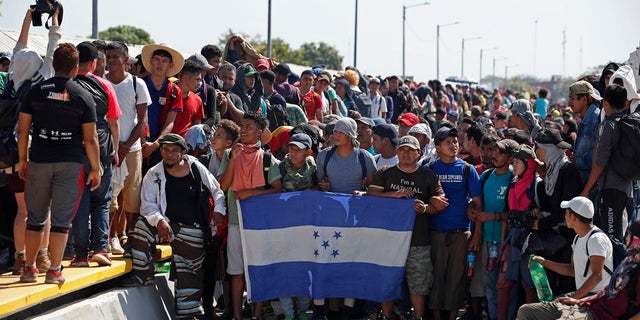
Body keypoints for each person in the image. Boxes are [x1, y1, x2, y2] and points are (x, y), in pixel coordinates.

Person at [16, 43, 101, 284]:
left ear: (53, 65)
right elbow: (91, 139)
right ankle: (54, 270)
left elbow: (23, 131)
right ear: (75, 68)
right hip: (69, 163)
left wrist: (23, 159)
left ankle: (29, 269)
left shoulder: (34, 91)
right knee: (62, 220)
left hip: (39, 159)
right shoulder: (84, 95)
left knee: (35, 217)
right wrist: (95, 168)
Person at [121, 133, 225, 319]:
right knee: (141, 228)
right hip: (165, 226)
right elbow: (147, 205)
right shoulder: (153, 174)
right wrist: (159, 220)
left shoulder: (195, 168)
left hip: (193, 230)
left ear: (183, 152)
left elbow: (217, 192)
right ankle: (142, 275)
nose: (169, 154)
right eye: (165, 150)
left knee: (189, 276)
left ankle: (189, 313)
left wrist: (218, 211)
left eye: (174, 150)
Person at [367, 135, 447, 320]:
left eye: (411, 150)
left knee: (418, 285)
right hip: (388, 239)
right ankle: (386, 317)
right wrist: (394, 195)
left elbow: (441, 204)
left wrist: (425, 208)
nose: (406, 153)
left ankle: (417, 317)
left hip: (418, 241)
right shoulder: (386, 172)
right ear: (396, 152)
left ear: (419, 153)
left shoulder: (428, 175)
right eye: (402, 149)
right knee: (387, 282)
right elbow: (371, 195)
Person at [8, 4, 62, 275]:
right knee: (44, 209)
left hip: (10, 155)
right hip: (37, 152)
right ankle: (39, 256)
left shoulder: (11, 80)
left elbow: (19, 47)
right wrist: (54, 18)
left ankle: (20, 259)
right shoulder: (42, 80)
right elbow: (53, 47)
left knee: (22, 210)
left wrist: (29, 17)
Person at [218, 112, 283, 320]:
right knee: (236, 271)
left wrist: (253, 193)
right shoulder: (230, 154)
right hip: (236, 222)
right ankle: (237, 315)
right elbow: (223, 186)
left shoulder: (267, 158)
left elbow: (278, 189)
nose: (243, 130)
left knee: (258, 269)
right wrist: (233, 160)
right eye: (242, 126)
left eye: (248, 126)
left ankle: (257, 314)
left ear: (259, 132)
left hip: (259, 224)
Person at [315, 117, 377, 320]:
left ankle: (347, 312)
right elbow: (319, 182)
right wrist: (324, 187)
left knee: (351, 265)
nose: (335, 135)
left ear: (351, 135)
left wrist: (363, 192)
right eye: (334, 132)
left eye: (340, 132)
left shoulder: (365, 157)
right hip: (329, 218)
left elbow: (372, 185)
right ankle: (328, 312)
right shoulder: (324, 155)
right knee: (329, 265)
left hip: (354, 220)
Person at [516, 220, 640, 320]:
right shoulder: (627, 263)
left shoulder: (636, 272)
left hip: (598, 315)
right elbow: (604, 293)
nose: (626, 237)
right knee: (526, 311)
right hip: (588, 305)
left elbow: (597, 276)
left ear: (636, 241)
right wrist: (577, 300)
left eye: (629, 234)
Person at [71, 41, 122, 267]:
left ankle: (80, 255)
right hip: (102, 145)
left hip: (74, 147)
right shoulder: (105, 85)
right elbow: (114, 122)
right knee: (101, 201)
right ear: (93, 63)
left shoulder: (68, 85)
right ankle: (101, 249)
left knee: (80, 200)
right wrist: (116, 151)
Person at [428, 127, 483, 320]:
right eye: (448, 142)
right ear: (437, 147)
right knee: (435, 279)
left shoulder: (467, 169)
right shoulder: (430, 168)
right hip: (435, 233)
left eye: (455, 141)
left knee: (456, 280)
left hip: (461, 233)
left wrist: (476, 235)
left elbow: (478, 204)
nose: (453, 145)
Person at [105, 41, 152, 252]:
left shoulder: (137, 84)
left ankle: (131, 238)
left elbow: (142, 121)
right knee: (110, 196)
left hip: (132, 150)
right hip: (107, 149)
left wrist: (125, 147)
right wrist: (115, 148)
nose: (111, 60)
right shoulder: (100, 82)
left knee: (131, 197)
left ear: (126, 60)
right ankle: (110, 237)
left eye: (116, 56)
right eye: (109, 56)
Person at [529, 196, 613, 300]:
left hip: (596, 299)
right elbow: (572, 270)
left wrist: (573, 298)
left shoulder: (596, 240)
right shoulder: (578, 238)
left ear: (573, 217)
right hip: (582, 296)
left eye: (566, 213)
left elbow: (597, 276)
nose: (564, 216)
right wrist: (544, 262)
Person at [581, 84, 633, 242]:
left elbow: (600, 162)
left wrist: (587, 189)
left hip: (611, 189)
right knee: (616, 234)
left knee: (612, 239)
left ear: (605, 103)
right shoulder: (627, 123)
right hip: (625, 188)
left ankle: (617, 267)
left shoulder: (608, 125)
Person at [496, 144, 543, 320]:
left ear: (528, 163)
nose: (513, 165)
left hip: (530, 242)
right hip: (512, 238)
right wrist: (503, 242)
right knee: (503, 284)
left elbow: (547, 213)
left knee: (530, 286)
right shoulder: (514, 182)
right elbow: (507, 214)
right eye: (513, 161)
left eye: (517, 162)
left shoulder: (537, 184)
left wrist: (538, 214)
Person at [277, 133, 317, 320]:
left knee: (304, 271)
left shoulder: (316, 171)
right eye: (291, 147)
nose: (292, 152)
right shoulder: (280, 168)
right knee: (285, 271)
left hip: (308, 230)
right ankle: (288, 313)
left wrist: (317, 190)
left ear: (308, 152)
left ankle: (301, 310)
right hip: (284, 228)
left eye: (298, 149)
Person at [140, 43, 184, 173]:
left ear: (170, 65)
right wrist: (143, 143)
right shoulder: (138, 83)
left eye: (164, 61)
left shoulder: (174, 90)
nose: (160, 64)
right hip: (136, 142)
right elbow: (132, 116)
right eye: (157, 59)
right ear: (151, 61)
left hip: (161, 147)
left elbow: (170, 122)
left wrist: (154, 145)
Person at [569, 80, 601, 187]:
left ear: (584, 99)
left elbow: (599, 152)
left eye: (573, 98)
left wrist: (578, 161)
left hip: (593, 187)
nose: (570, 103)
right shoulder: (585, 119)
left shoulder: (596, 119)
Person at [173, 60, 206, 137]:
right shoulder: (168, 94)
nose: (199, 83)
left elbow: (197, 127)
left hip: (186, 146)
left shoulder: (198, 100)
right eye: (197, 79)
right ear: (185, 78)